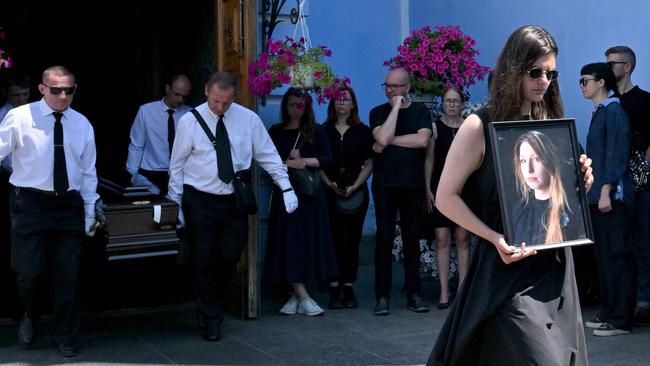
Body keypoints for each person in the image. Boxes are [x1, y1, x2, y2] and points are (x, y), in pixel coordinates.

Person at [428, 26, 593, 365]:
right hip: (505, 271)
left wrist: (581, 183)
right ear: (513, 68)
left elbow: (562, 199)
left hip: (554, 269)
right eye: (535, 71)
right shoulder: (479, 125)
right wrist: (492, 237)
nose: (544, 80)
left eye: (550, 72)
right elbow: (445, 197)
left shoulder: (551, 122)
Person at [167, 72, 297, 341]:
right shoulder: (189, 122)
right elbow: (177, 165)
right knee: (203, 258)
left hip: (232, 198)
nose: (219, 107)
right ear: (206, 91)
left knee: (229, 254)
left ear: (234, 96)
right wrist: (175, 203)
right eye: (215, 101)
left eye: (225, 102)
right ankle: (209, 317)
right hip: (199, 197)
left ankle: (210, 298)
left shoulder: (248, 119)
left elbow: (267, 154)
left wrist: (285, 186)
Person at [0, 65, 99, 357]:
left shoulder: (82, 124)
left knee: (68, 274)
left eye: (69, 90)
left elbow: (89, 171)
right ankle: (28, 313)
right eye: (56, 90)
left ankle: (65, 334)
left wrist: (91, 211)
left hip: (68, 204)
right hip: (29, 203)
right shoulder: (19, 117)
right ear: (43, 89)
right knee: (28, 272)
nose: (63, 96)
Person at [265, 87, 337, 316]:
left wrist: (304, 161)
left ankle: (296, 297)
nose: (295, 110)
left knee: (306, 244)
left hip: (310, 196)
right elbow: (267, 160)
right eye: (291, 105)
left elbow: (328, 158)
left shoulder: (315, 130)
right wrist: (288, 164)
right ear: (284, 107)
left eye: (300, 105)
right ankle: (303, 296)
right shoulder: (275, 131)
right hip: (286, 196)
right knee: (289, 243)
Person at [370, 68, 432, 315]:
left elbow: (422, 142)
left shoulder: (420, 112)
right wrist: (395, 108)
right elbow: (382, 137)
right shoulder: (378, 112)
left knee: (411, 238)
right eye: (386, 85)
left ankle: (413, 293)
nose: (390, 90)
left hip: (412, 185)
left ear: (407, 87)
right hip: (385, 185)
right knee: (384, 238)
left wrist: (389, 140)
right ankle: (382, 296)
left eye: (395, 86)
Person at [580, 62, 636, 336]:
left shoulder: (614, 111)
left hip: (612, 199)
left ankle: (620, 320)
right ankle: (609, 312)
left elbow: (617, 153)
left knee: (617, 257)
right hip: (598, 199)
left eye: (585, 80)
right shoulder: (600, 112)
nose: (581, 85)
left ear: (601, 82)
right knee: (604, 257)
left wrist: (606, 190)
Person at [605, 46, 650, 324]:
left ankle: (643, 300)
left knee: (643, 240)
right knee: (622, 244)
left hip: (640, 182)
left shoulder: (644, 101)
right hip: (615, 183)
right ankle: (625, 300)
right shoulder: (609, 102)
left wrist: (645, 174)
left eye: (612, 63)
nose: (607, 68)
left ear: (627, 66)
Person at [321, 86, 373, 309]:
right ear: (332, 104)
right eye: (338, 99)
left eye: (346, 99)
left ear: (353, 104)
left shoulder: (363, 131)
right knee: (332, 239)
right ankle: (333, 286)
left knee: (351, 241)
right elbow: (319, 162)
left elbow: (369, 163)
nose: (342, 102)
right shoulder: (323, 130)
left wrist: (355, 186)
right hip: (329, 191)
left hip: (356, 193)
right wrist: (329, 184)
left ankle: (349, 285)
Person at [423, 87, 470, 310]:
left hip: (464, 190)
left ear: (462, 104)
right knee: (442, 237)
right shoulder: (435, 127)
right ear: (442, 104)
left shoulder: (469, 127)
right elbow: (429, 160)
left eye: (455, 101)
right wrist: (427, 189)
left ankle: (462, 290)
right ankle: (444, 291)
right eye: (447, 101)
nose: (451, 104)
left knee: (462, 238)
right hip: (440, 189)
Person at [511, 130, 579, 247]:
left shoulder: (570, 207)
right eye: (523, 160)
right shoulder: (519, 210)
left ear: (549, 161)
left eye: (536, 159)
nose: (529, 169)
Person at [126, 74, 192, 195]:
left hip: (181, 175)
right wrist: (131, 177)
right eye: (177, 94)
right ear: (167, 88)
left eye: (184, 97)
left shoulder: (191, 114)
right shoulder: (146, 111)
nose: (180, 100)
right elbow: (136, 145)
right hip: (150, 175)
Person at [0, 71, 30, 321]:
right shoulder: (4, 116)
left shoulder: (36, 114)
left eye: (25, 94)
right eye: (16, 95)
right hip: (12, 182)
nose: (21, 99)